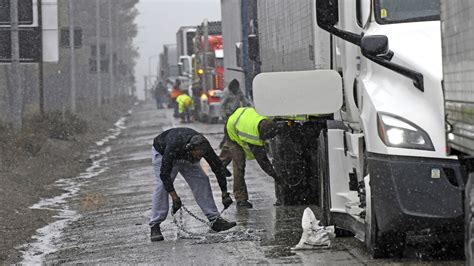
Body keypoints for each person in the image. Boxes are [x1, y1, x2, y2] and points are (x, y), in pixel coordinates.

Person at [150, 127, 236, 242]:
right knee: (162, 187)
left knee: (202, 180)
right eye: (197, 155)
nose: (199, 158)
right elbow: (164, 175)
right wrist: (175, 198)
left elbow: (218, 168)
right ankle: (155, 225)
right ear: (191, 149)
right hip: (163, 154)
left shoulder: (204, 147)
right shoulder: (173, 146)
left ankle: (215, 220)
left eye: (201, 156)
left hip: (185, 155)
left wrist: (224, 193)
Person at [219, 107, 282, 209]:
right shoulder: (252, 135)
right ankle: (241, 199)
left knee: (231, 145)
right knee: (239, 163)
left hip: (239, 116)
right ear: (262, 135)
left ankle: (220, 164)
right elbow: (263, 161)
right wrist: (276, 176)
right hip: (231, 126)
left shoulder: (265, 117)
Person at [219, 79, 251, 148]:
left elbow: (243, 98)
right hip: (228, 113)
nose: (236, 90)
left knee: (237, 128)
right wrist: (223, 116)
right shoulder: (226, 93)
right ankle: (224, 144)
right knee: (228, 129)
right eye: (235, 89)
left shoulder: (238, 91)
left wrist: (249, 105)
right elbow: (222, 105)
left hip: (237, 112)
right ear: (232, 87)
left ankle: (238, 143)